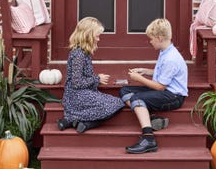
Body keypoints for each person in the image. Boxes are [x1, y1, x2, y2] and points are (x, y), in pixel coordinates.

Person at [119, 18, 188, 154]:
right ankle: (151, 119)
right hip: (165, 90)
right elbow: (162, 75)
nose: (150, 42)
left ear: (160, 38)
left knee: (136, 99)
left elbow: (160, 86)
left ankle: (149, 138)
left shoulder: (171, 59)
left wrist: (140, 78)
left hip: (173, 96)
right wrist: (145, 70)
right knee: (124, 90)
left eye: (151, 39)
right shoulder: (165, 51)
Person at [57, 16, 125, 133]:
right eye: (97, 36)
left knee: (115, 103)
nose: (98, 39)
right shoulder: (79, 55)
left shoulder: (83, 52)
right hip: (76, 96)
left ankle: (71, 121)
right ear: (88, 35)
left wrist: (95, 79)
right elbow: (77, 82)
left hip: (83, 93)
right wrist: (97, 79)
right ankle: (85, 123)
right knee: (116, 104)